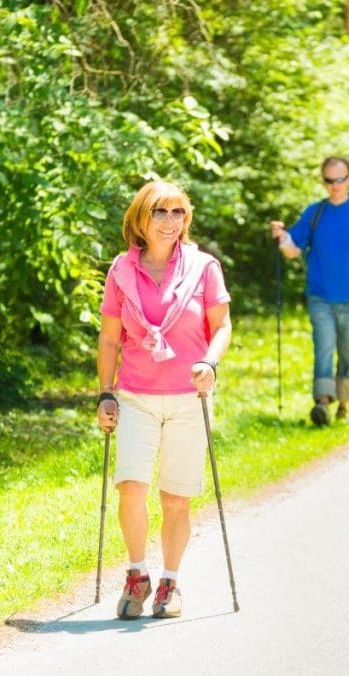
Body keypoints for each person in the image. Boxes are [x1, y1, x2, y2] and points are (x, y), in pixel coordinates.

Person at [96, 180, 232, 620]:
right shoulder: (120, 270)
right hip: (136, 395)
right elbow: (109, 338)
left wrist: (210, 363)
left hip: (189, 396)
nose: (170, 222)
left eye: (178, 213)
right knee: (130, 486)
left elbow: (223, 326)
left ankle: (171, 582)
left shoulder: (204, 267)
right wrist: (105, 394)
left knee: (176, 498)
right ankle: (137, 575)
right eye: (160, 212)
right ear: (141, 218)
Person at [270, 156, 349, 426]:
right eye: (329, 180)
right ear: (323, 181)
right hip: (320, 295)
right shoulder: (315, 213)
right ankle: (322, 403)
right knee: (323, 348)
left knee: (347, 352)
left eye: (340, 179)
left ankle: (344, 405)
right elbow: (292, 250)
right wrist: (282, 237)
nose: (335, 185)